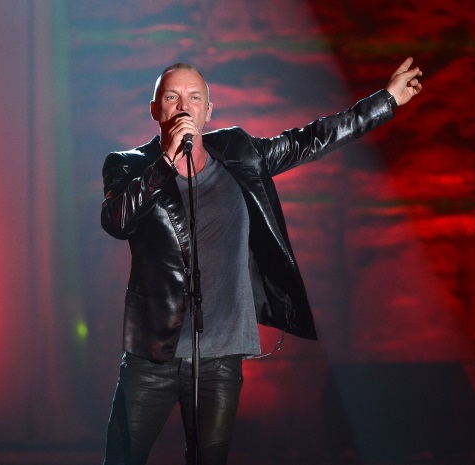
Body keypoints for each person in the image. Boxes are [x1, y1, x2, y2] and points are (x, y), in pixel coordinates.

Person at [100, 57, 423, 465]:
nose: (183, 106)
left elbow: (311, 139)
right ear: (155, 109)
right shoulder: (127, 164)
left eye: (194, 97)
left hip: (220, 357)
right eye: (172, 97)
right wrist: (165, 163)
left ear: (208, 110)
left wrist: (385, 100)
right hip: (152, 356)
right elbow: (117, 221)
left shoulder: (238, 152)